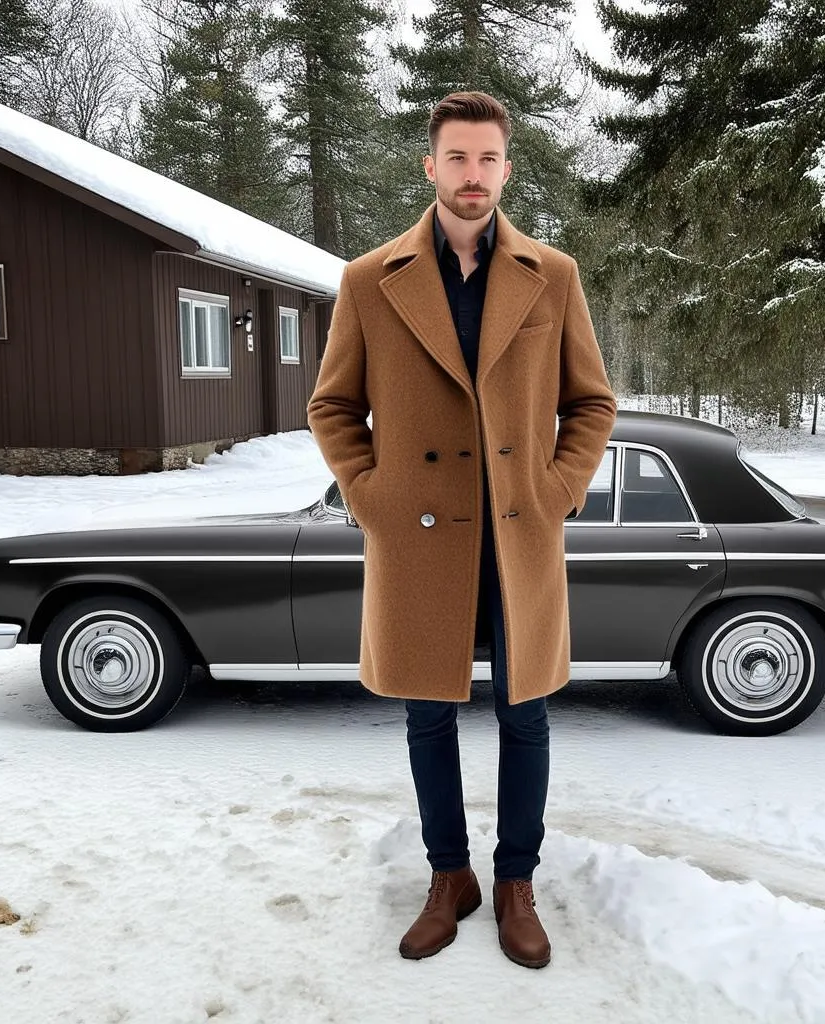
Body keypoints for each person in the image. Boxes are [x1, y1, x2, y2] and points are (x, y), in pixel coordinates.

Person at [307, 90, 617, 969]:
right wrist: (370, 495)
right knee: (427, 716)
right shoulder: (370, 280)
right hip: (420, 538)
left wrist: (558, 488)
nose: (472, 176)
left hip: (519, 533)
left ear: (506, 169)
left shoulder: (552, 275)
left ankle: (515, 880)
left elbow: (590, 402)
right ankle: (451, 878)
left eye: (488, 159)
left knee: (526, 719)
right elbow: (333, 404)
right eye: (457, 158)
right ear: (430, 164)